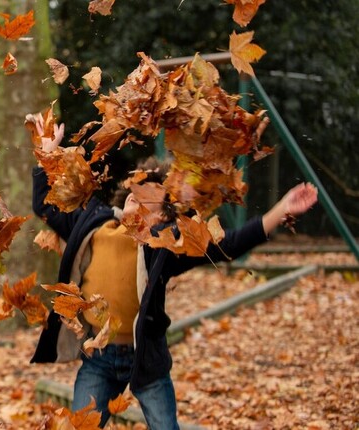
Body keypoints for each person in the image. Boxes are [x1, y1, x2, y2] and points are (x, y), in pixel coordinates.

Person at [27, 120, 318, 428]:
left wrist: (281, 211)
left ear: (164, 218)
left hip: (146, 362)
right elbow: (44, 205)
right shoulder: (93, 225)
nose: (136, 201)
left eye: (148, 202)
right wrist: (46, 154)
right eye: (134, 195)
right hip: (97, 360)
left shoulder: (164, 247)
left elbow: (227, 244)